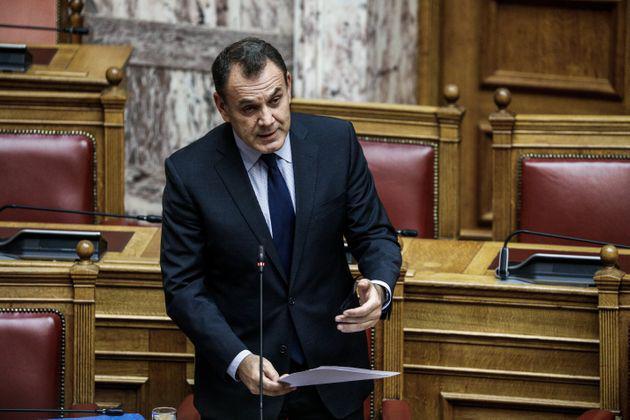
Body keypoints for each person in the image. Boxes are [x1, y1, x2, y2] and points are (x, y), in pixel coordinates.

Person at [160, 37, 402, 420]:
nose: (267, 119)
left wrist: (380, 289)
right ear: (221, 106)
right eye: (249, 108)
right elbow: (184, 288)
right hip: (242, 393)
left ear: (288, 85)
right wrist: (238, 359)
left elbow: (374, 234)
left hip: (331, 383)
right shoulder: (189, 173)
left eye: (275, 100)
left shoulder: (336, 143)